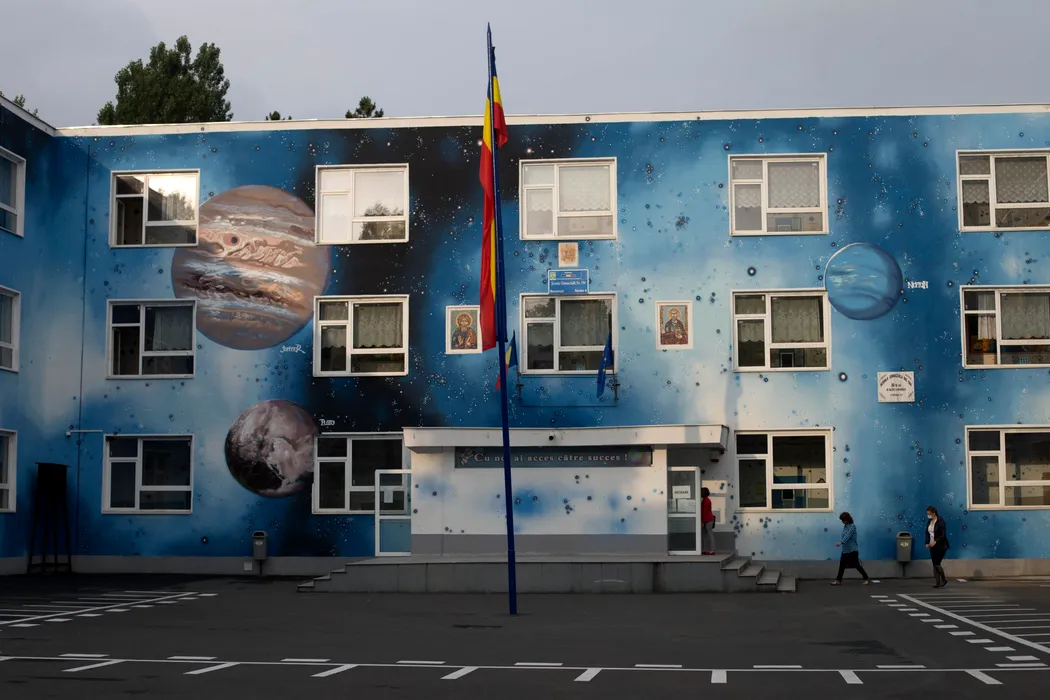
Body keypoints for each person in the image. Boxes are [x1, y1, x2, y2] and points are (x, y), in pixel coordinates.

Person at [831, 512, 871, 586]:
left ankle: (866, 578)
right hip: (845, 550)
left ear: (847, 519)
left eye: (843, 520)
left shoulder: (852, 526)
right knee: (842, 565)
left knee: (857, 565)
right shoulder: (845, 526)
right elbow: (845, 535)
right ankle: (838, 580)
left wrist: (841, 542)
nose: (842, 521)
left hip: (852, 550)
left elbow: (848, 535)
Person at [924, 506, 950, 588]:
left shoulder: (940, 521)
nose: (928, 515)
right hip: (932, 545)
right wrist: (927, 542)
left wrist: (935, 541)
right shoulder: (929, 521)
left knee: (937, 563)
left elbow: (943, 535)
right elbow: (927, 533)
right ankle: (937, 582)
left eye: (929, 514)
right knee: (934, 564)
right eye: (927, 514)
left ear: (934, 513)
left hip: (940, 545)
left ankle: (944, 579)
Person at [700, 487, 716, 555]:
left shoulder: (706, 501)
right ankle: (705, 549)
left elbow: (705, 512)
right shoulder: (705, 500)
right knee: (705, 535)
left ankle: (712, 550)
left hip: (708, 520)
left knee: (709, 535)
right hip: (707, 520)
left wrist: (702, 521)